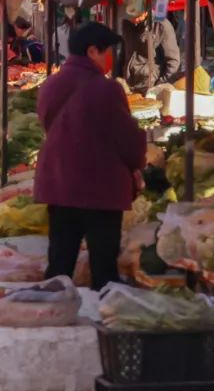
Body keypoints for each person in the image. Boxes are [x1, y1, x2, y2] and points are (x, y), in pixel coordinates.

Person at [34, 21, 147, 290]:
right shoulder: (107, 89)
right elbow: (127, 139)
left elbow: (48, 124)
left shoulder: (51, 85)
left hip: (59, 182)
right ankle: (101, 319)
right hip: (100, 188)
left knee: (60, 261)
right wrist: (137, 166)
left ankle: (51, 314)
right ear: (93, 51)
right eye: (107, 51)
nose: (110, 58)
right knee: (104, 267)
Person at [120, 10, 180, 94]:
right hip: (128, 85)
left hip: (150, 86)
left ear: (146, 11)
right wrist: (118, 78)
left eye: (137, 15)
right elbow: (123, 54)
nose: (134, 19)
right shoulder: (126, 24)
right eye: (131, 15)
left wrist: (159, 85)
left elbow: (173, 61)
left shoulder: (161, 25)